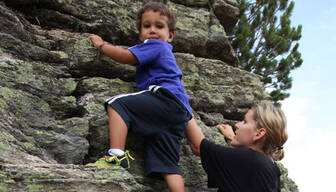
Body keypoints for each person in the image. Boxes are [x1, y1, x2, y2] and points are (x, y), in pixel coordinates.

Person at [86, 1, 192, 191]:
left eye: (159, 26)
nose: (152, 30)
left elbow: (128, 57)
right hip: (179, 115)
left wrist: (102, 45)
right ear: (140, 32)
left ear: (171, 35)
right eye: (147, 26)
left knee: (118, 104)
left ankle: (116, 155)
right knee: (169, 165)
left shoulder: (156, 46)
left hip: (164, 99)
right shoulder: (167, 54)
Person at [186, 103, 288, 192]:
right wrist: (233, 137)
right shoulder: (271, 167)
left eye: (245, 121)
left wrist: (182, 103)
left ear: (259, 133)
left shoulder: (251, 160)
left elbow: (198, 147)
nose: (237, 125)